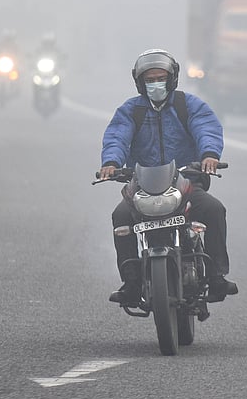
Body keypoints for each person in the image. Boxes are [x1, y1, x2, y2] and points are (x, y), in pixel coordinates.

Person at [99, 48, 239, 305]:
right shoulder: (132, 110)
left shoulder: (189, 105)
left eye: (160, 78)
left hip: (185, 181)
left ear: (172, 78)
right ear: (140, 83)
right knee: (120, 217)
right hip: (142, 185)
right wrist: (111, 163)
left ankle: (217, 276)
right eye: (149, 80)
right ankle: (131, 283)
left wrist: (209, 155)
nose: (155, 84)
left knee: (214, 209)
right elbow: (117, 136)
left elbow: (206, 127)